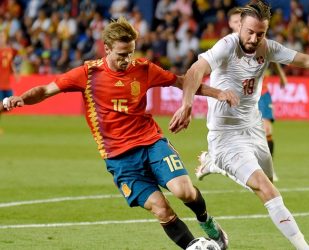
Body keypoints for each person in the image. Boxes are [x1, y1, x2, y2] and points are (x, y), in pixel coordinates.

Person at [2, 17, 240, 250]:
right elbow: (45, 89)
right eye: (121, 54)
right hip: (119, 159)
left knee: (183, 191)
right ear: (106, 49)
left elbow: (181, 81)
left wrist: (217, 93)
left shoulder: (143, 69)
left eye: (131, 53)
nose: (128, 60)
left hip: (150, 143)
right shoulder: (87, 74)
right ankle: (193, 247)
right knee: (161, 208)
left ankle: (206, 221)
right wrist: (21, 98)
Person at [169, 0, 309, 248]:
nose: (254, 39)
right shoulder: (227, 46)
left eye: (260, 33)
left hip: (253, 128)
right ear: (240, 26)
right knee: (267, 189)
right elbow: (195, 71)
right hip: (226, 135)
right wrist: (187, 103)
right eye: (249, 32)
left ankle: (214, 163)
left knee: (267, 184)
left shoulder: (267, 47)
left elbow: (305, 60)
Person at [195, 6, 287, 182]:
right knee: (239, 144)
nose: (240, 24)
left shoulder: (257, 40)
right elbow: (206, 64)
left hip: (259, 94)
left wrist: (281, 76)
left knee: (267, 130)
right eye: (236, 22)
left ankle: (266, 169)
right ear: (231, 24)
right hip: (235, 99)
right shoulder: (226, 45)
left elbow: (273, 58)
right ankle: (218, 162)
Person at [0, 31, 18, 134]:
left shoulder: (9, 50)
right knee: (1, 105)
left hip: (7, 84)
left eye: (2, 36)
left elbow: (10, 63)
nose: (1, 38)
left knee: (8, 106)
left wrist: (15, 72)